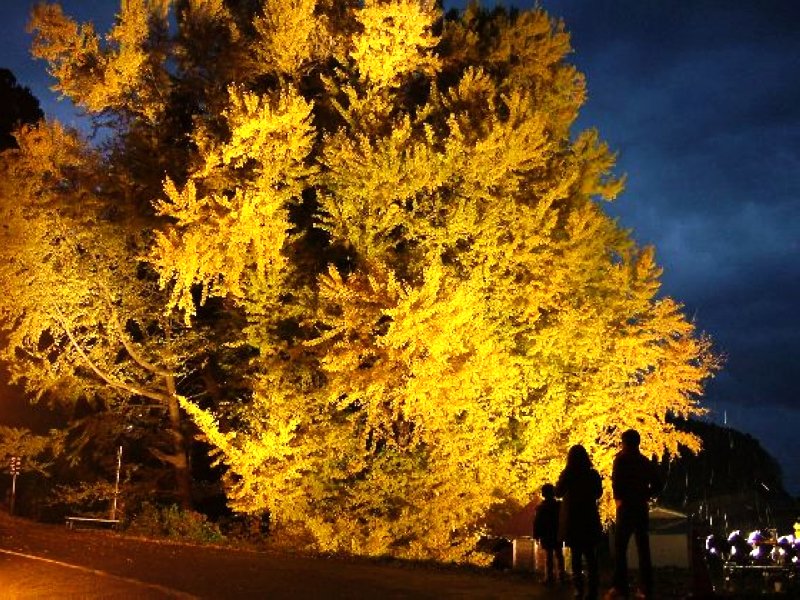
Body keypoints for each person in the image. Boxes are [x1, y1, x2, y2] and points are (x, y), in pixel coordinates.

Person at [610, 429, 663, 600]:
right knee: (643, 548)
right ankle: (646, 588)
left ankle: (620, 587)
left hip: (625, 508)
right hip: (640, 508)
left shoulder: (621, 460)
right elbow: (658, 484)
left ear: (624, 442)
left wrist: (619, 499)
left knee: (620, 549)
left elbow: (616, 482)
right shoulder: (644, 461)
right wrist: (646, 495)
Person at [556, 445, 603, 600]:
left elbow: (558, 492)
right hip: (589, 518)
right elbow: (598, 493)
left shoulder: (568, 474)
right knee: (591, 557)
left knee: (576, 556)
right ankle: (593, 591)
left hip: (573, 520)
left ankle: (578, 590)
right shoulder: (592, 474)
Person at [533, 483, 566, 584]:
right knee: (559, 555)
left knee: (549, 557)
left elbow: (537, 522)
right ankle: (561, 576)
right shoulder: (559, 506)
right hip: (557, 533)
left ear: (544, 494)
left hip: (546, 534)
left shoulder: (541, 508)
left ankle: (549, 577)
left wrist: (536, 535)